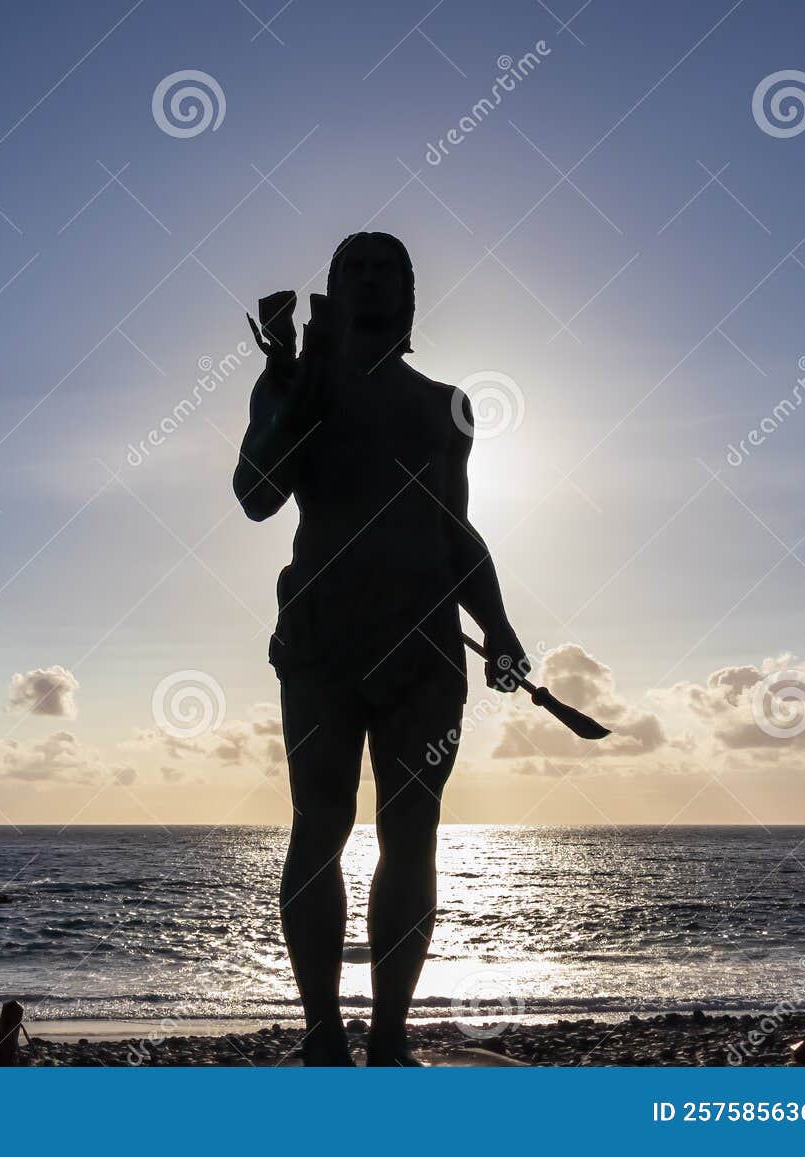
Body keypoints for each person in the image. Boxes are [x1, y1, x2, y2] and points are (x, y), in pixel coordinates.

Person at [234, 232, 530, 1066]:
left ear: (410, 293)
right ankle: (322, 1031)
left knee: (413, 835)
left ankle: (392, 1035)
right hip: (322, 641)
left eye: (384, 269)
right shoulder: (295, 383)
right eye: (351, 269)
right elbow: (257, 493)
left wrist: (500, 628)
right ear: (330, 287)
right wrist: (299, 380)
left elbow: (456, 530)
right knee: (318, 827)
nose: (368, 281)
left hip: (425, 650)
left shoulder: (447, 405)